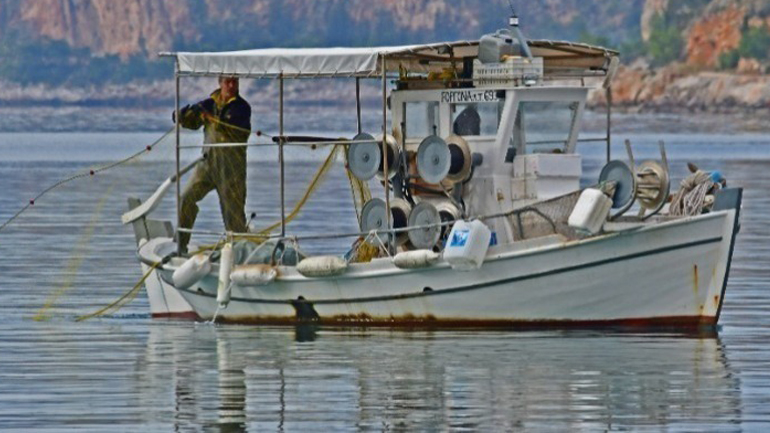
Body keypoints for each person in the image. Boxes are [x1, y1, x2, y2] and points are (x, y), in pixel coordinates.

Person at [174, 76, 252, 253]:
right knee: (186, 197)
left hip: (231, 169)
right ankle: (180, 245)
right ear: (220, 83)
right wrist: (181, 115)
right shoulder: (209, 103)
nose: (231, 86)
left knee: (233, 216)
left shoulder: (242, 107)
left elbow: (234, 126)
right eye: (227, 82)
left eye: (235, 82)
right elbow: (192, 122)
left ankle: (240, 253)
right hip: (207, 165)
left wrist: (211, 118)